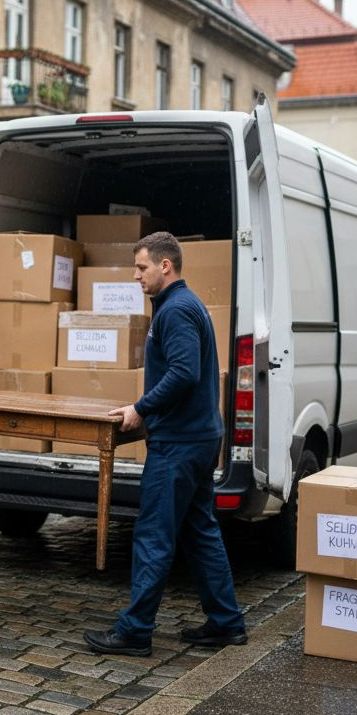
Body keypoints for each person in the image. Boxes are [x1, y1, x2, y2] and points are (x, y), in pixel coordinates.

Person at [83, 231, 247, 657]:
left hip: (178, 443)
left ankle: (135, 630)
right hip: (197, 437)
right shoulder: (183, 305)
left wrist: (141, 408)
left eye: (141, 268)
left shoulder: (175, 311)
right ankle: (226, 623)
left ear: (165, 266)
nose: (137, 276)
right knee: (200, 530)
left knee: (154, 534)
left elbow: (184, 372)